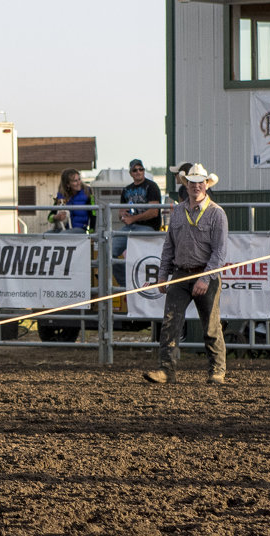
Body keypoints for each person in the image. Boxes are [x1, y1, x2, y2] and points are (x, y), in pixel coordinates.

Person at [143, 164, 227, 386]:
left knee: (210, 325)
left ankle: (217, 370)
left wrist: (205, 278)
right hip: (180, 274)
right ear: (186, 185)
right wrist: (163, 275)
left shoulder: (217, 213)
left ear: (206, 185)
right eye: (192, 182)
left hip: (205, 273)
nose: (196, 186)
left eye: (200, 182)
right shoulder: (178, 211)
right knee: (170, 322)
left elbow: (219, 252)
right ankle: (166, 370)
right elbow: (169, 246)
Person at [111, 158, 162, 260]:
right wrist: (123, 216)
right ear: (130, 173)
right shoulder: (126, 189)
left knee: (140, 256)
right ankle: (122, 276)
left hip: (148, 227)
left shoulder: (152, 186)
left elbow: (154, 212)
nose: (138, 172)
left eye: (141, 169)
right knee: (109, 250)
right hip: (129, 227)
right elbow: (121, 212)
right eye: (135, 170)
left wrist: (133, 219)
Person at [48, 168, 94, 233]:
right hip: (62, 228)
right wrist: (56, 217)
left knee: (62, 235)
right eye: (75, 181)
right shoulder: (61, 196)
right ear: (68, 184)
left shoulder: (88, 192)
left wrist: (92, 232)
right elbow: (50, 217)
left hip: (79, 229)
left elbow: (93, 214)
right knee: (45, 235)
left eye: (79, 179)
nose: (79, 183)